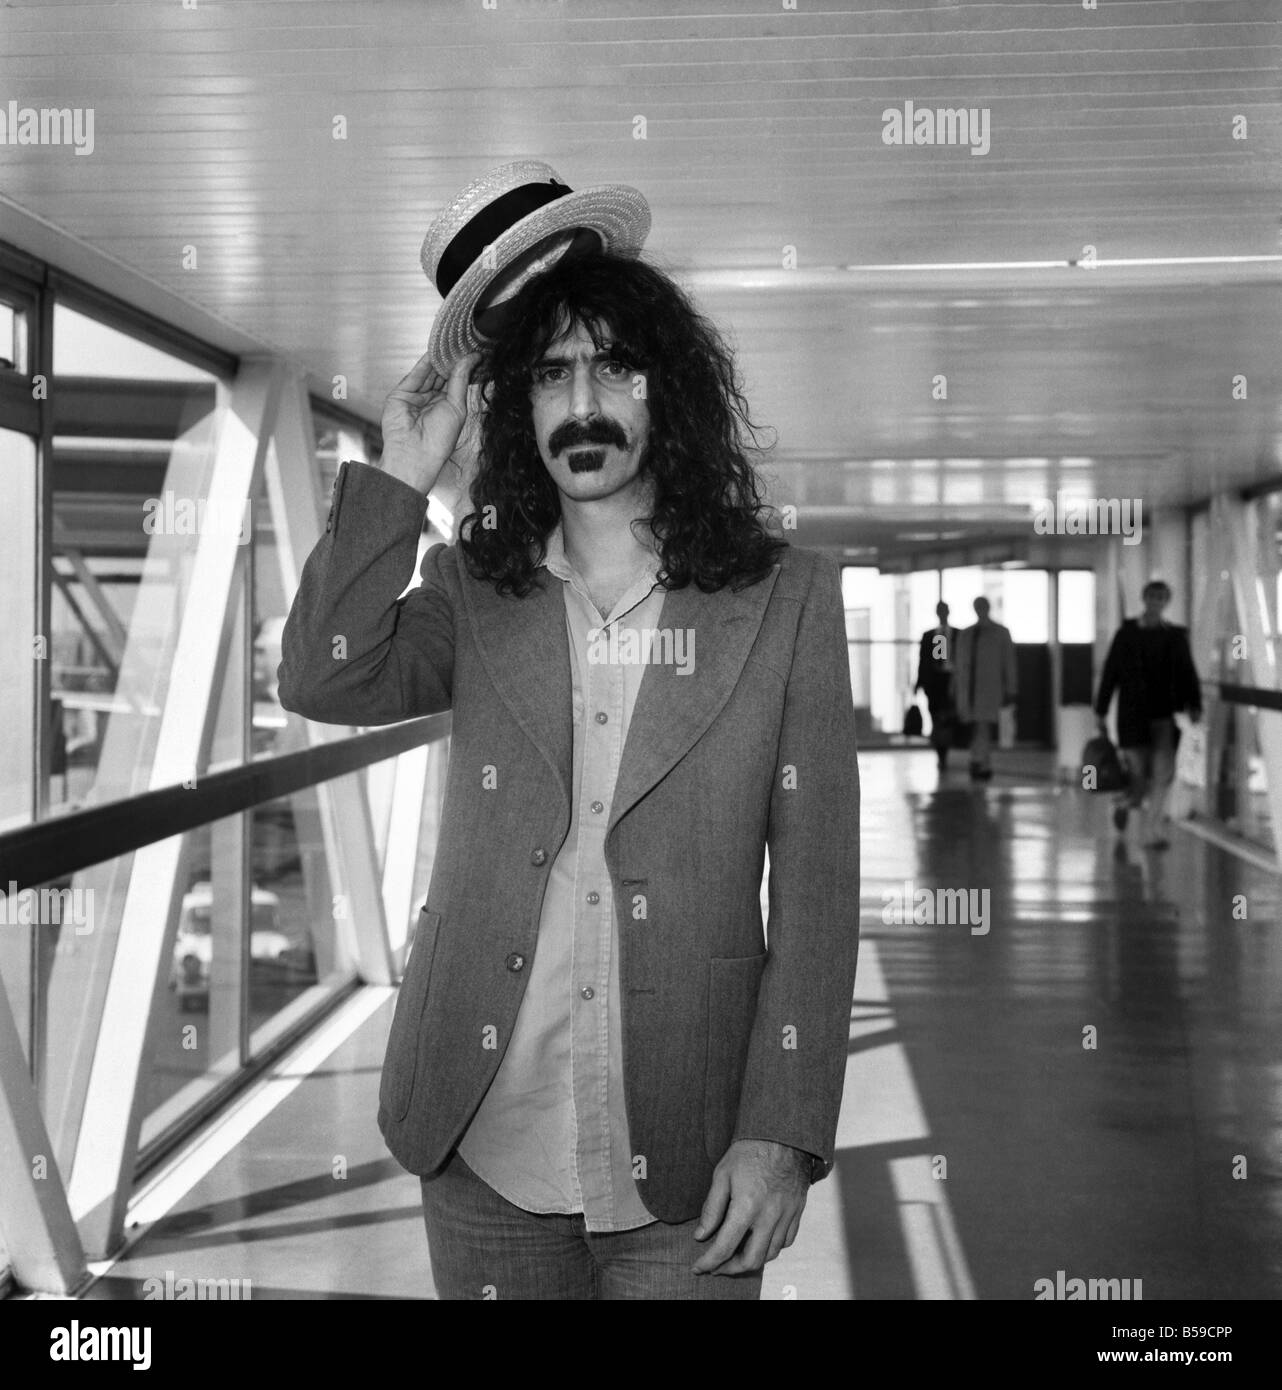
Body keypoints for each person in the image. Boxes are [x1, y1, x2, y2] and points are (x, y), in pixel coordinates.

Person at [277, 175, 861, 1301]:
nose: (581, 404)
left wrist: (782, 1132)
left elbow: (819, 896)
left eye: (613, 367)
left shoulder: (784, 601)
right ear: (515, 404)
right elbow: (320, 673)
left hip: (691, 1164)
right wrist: (404, 468)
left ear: (670, 391)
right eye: (549, 374)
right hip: (481, 1139)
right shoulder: (473, 590)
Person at [1094, 579, 1202, 850]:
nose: (1156, 603)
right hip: (1133, 716)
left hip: (1164, 716)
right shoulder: (1126, 634)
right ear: (1144, 599)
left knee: (1163, 774)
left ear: (1167, 602)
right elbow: (1111, 673)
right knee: (1139, 776)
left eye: (1162, 598)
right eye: (1152, 597)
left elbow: (1188, 673)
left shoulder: (1175, 636)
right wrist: (1101, 710)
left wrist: (1194, 704)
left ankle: (1153, 832)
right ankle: (1125, 801)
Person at [953, 596, 1017, 781]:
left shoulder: (1000, 633)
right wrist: (952, 686)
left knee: (982, 726)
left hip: (988, 689)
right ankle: (979, 760)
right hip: (967, 691)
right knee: (974, 727)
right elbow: (956, 663)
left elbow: (1008, 662)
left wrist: (1011, 688)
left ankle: (979, 761)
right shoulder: (964, 635)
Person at [915, 601, 960, 770]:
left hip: (951, 681)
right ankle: (941, 752)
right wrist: (919, 683)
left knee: (948, 718)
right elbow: (924, 661)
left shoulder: (958, 634)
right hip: (934, 683)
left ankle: (945, 749)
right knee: (936, 718)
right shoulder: (930, 636)